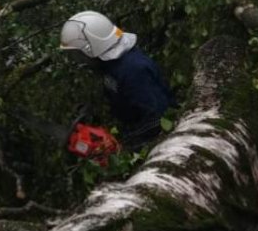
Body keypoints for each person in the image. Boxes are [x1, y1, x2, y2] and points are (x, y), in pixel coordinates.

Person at [60, 11, 174, 149]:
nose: (79, 59)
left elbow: (159, 120)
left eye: (79, 54)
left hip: (162, 144)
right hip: (135, 129)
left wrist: (124, 146)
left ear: (93, 47)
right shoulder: (109, 66)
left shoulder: (133, 70)